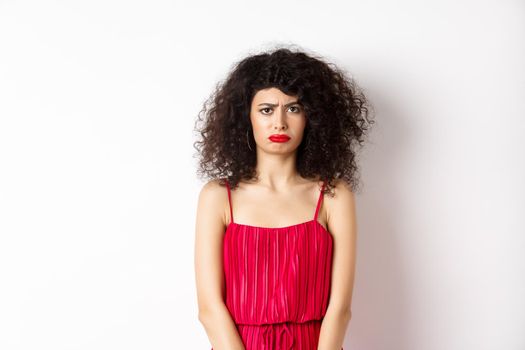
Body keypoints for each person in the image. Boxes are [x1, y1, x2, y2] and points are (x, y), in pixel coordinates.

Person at [193, 45, 374, 349]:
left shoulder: (333, 196)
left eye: (294, 108)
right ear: (245, 117)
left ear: (311, 118)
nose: (279, 122)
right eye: (266, 109)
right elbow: (210, 310)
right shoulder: (217, 197)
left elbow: (339, 310)